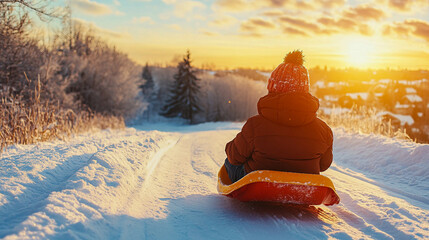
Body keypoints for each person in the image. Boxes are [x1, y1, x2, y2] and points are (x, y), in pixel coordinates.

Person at [224, 50, 333, 183]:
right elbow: (323, 165)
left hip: (258, 183)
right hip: (304, 184)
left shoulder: (254, 125)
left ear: (272, 88)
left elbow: (234, 157)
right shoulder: (323, 130)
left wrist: (229, 147)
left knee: (229, 163)